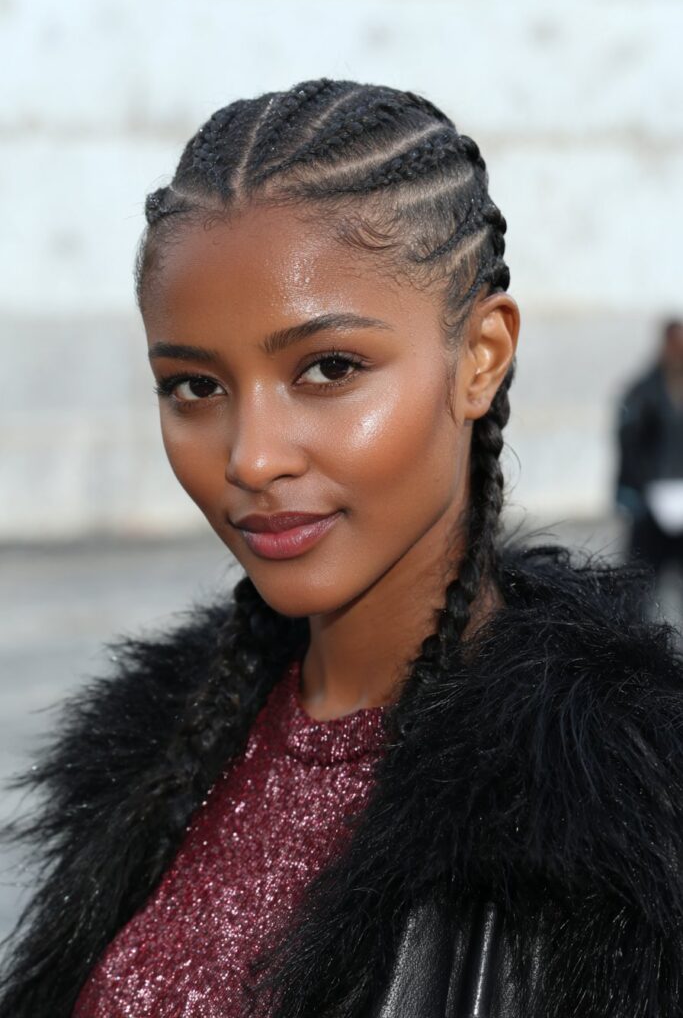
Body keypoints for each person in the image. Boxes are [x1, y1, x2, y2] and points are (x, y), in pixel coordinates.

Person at [1, 79, 682, 1018]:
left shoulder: (623, 823)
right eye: (194, 387)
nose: (251, 458)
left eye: (328, 369)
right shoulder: (154, 759)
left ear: (480, 356)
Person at [616, 319, 683, 615]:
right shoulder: (644, 391)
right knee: (640, 588)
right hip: (650, 504)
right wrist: (636, 491)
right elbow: (629, 445)